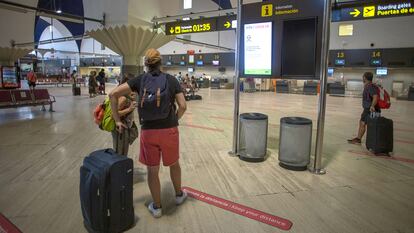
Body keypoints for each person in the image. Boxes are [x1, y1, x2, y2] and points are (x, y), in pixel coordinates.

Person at [109, 48, 187, 218]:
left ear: (145, 64)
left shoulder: (139, 80)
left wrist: (117, 120)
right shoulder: (171, 80)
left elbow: (112, 94)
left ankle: (157, 207)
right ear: (161, 63)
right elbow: (183, 106)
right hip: (169, 130)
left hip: (149, 132)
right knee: (174, 164)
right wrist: (175, 120)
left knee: (153, 170)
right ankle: (179, 196)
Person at [348, 72, 380, 144]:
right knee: (366, 123)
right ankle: (361, 139)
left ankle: (359, 139)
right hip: (371, 109)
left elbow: (375, 97)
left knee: (363, 123)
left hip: (370, 109)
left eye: (363, 77)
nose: (362, 78)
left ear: (365, 78)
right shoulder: (370, 86)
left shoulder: (370, 86)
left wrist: (372, 106)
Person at [111, 75, 137, 156]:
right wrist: (129, 109)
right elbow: (113, 114)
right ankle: (119, 167)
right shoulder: (123, 98)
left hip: (123, 127)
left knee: (122, 150)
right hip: (121, 128)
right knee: (120, 151)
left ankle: (120, 166)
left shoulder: (126, 96)